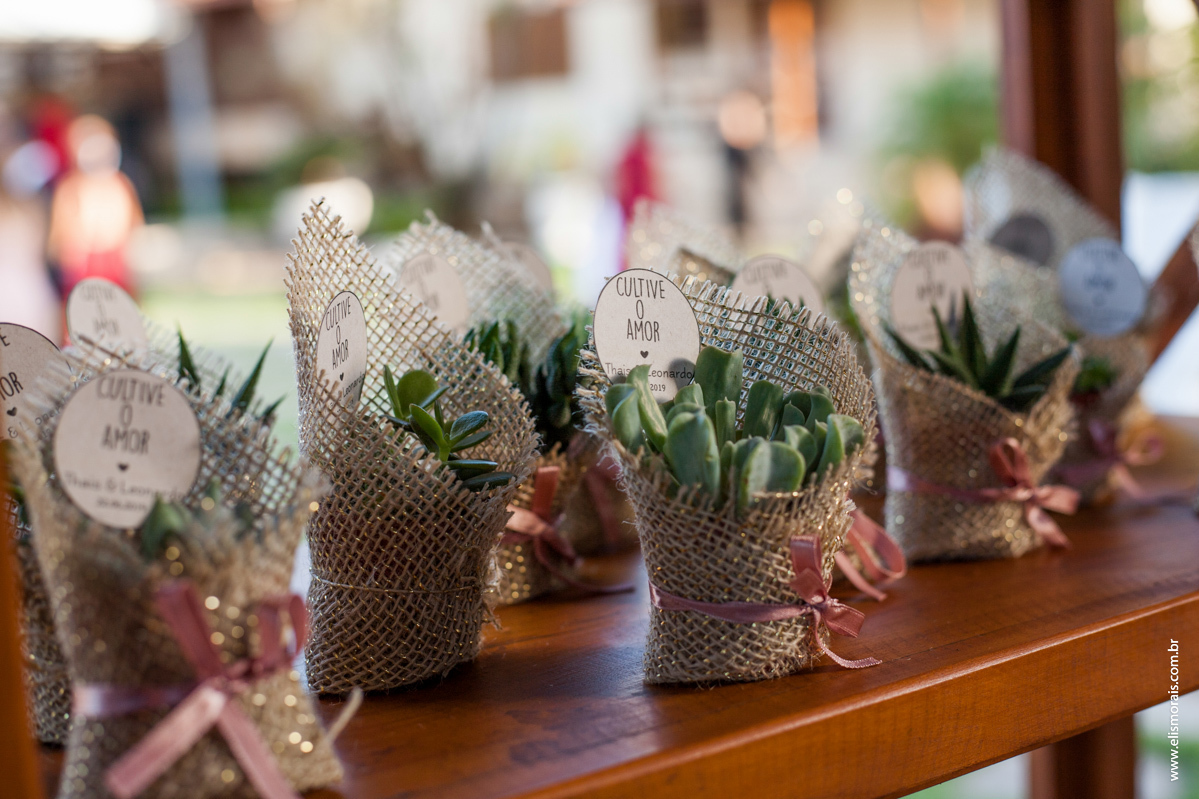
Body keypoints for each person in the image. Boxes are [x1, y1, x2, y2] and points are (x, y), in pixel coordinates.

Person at [47, 115, 143, 299]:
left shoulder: (120, 185)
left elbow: (135, 228)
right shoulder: (70, 189)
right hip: (83, 272)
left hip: (117, 269)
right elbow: (58, 241)